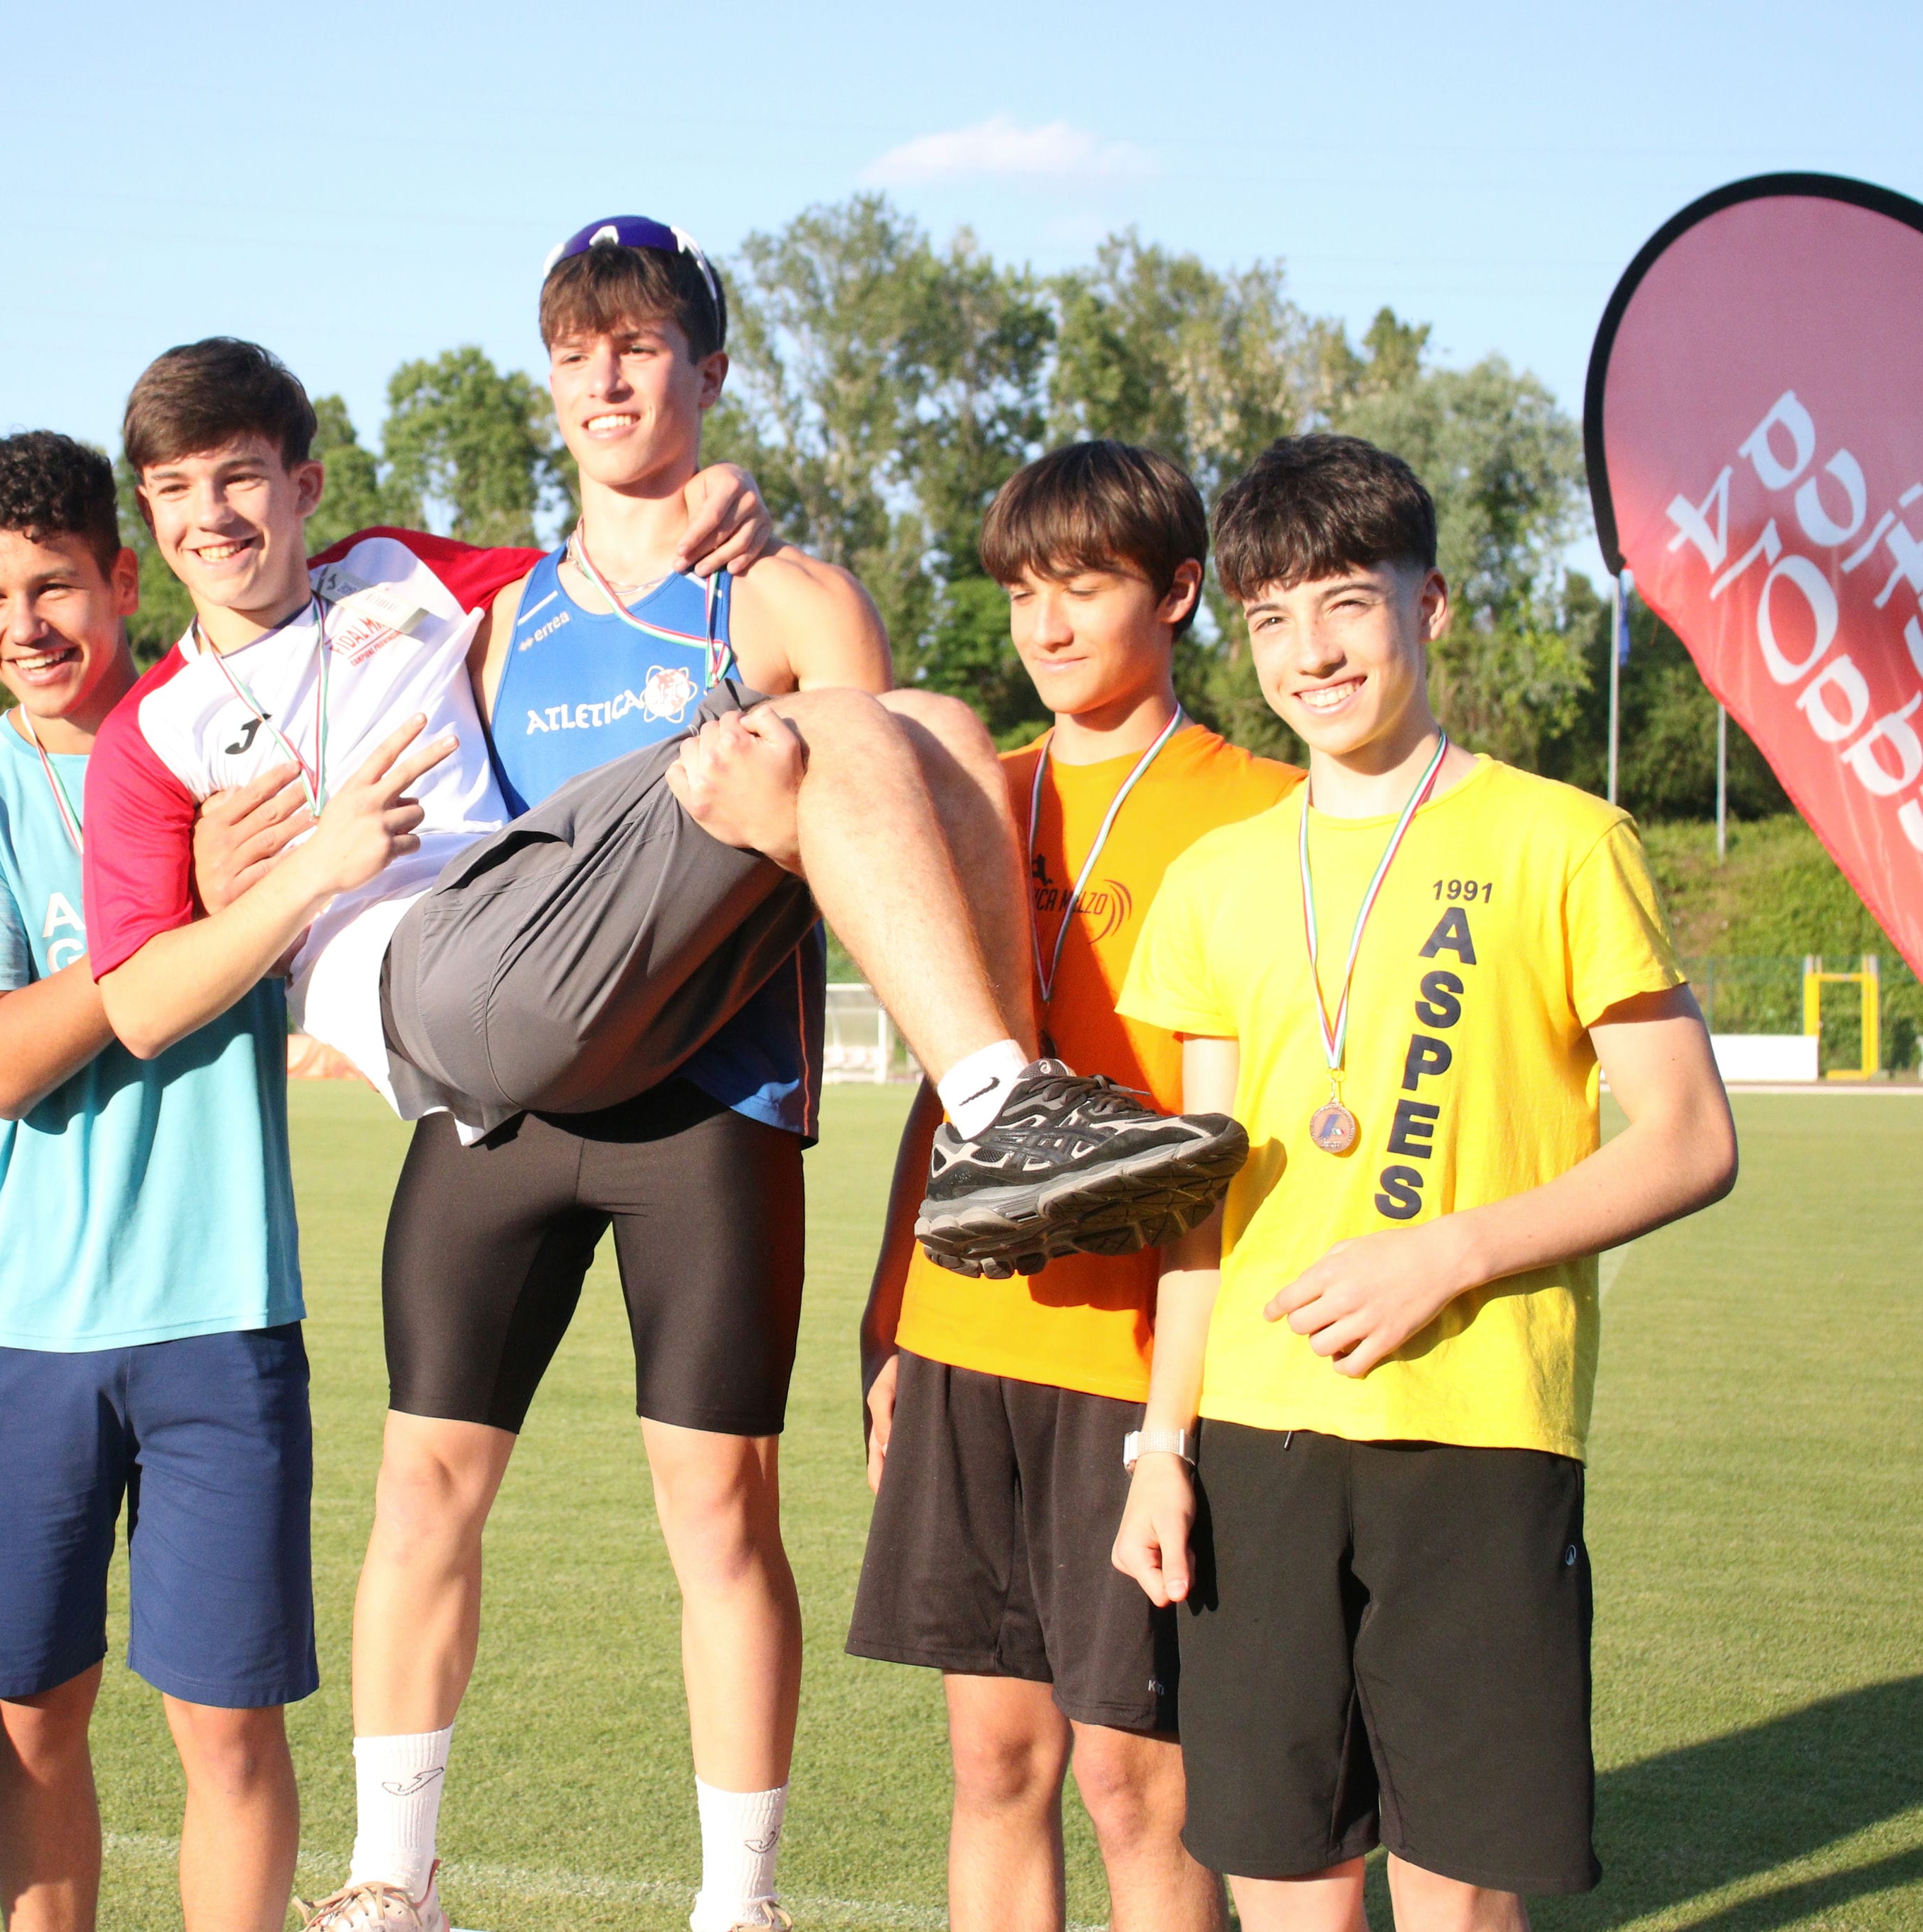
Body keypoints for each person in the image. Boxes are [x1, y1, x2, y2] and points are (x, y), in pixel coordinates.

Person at [303, 217, 1025, 1932]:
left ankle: (737, 1904)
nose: (609, 378)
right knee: (421, 1483)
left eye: (642, 345)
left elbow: (875, 827)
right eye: (579, 349)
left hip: (712, 1108)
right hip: (515, 1110)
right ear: (549, 379)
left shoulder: (782, 598)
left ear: (708, 370)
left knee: (719, 1507)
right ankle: (391, 1883)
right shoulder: (492, 623)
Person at [78, 338, 1246, 1312]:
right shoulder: (150, 733)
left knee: (933, 727)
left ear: (304, 487)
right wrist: (308, 875)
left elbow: (611, 561)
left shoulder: (400, 573)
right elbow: (136, 1009)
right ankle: (1002, 1114)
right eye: (175, 490)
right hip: (431, 980)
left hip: (538, 919)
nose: (210, 515)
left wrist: (715, 489)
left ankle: (1012, 1105)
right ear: (146, 510)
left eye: (238, 478)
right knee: (835, 725)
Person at [1109, 434, 1738, 1931]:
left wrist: (1445, 1255)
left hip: (1476, 1426)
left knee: (1459, 1894)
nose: (1311, 653)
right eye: (1272, 618)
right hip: (1254, 1436)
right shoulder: (1216, 881)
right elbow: (1201, 1202)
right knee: (1286, 1880)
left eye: (1346, 603)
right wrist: (1160, 1446)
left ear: (1430, 603)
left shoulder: (1564, 840)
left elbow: (1689, 1137)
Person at [852, 441, 1299, 1932]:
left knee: (1134, 1779)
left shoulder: (1264, 809)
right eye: (1022, 592)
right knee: (994, 1764)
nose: (1045, 625)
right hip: (965, 1336)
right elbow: (946, 1090)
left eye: (1087, 585)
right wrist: (888, 1327)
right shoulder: (965, 796)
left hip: (1143, 1352)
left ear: (1178, 593)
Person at [0, 430, 315, 1932]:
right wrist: (184, 905)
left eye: (55, 585)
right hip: (25, 1328)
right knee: (31, 1719)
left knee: (230, 1728)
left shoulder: (242, 747)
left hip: (222, 1309)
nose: (24, 626)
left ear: (127, 577)